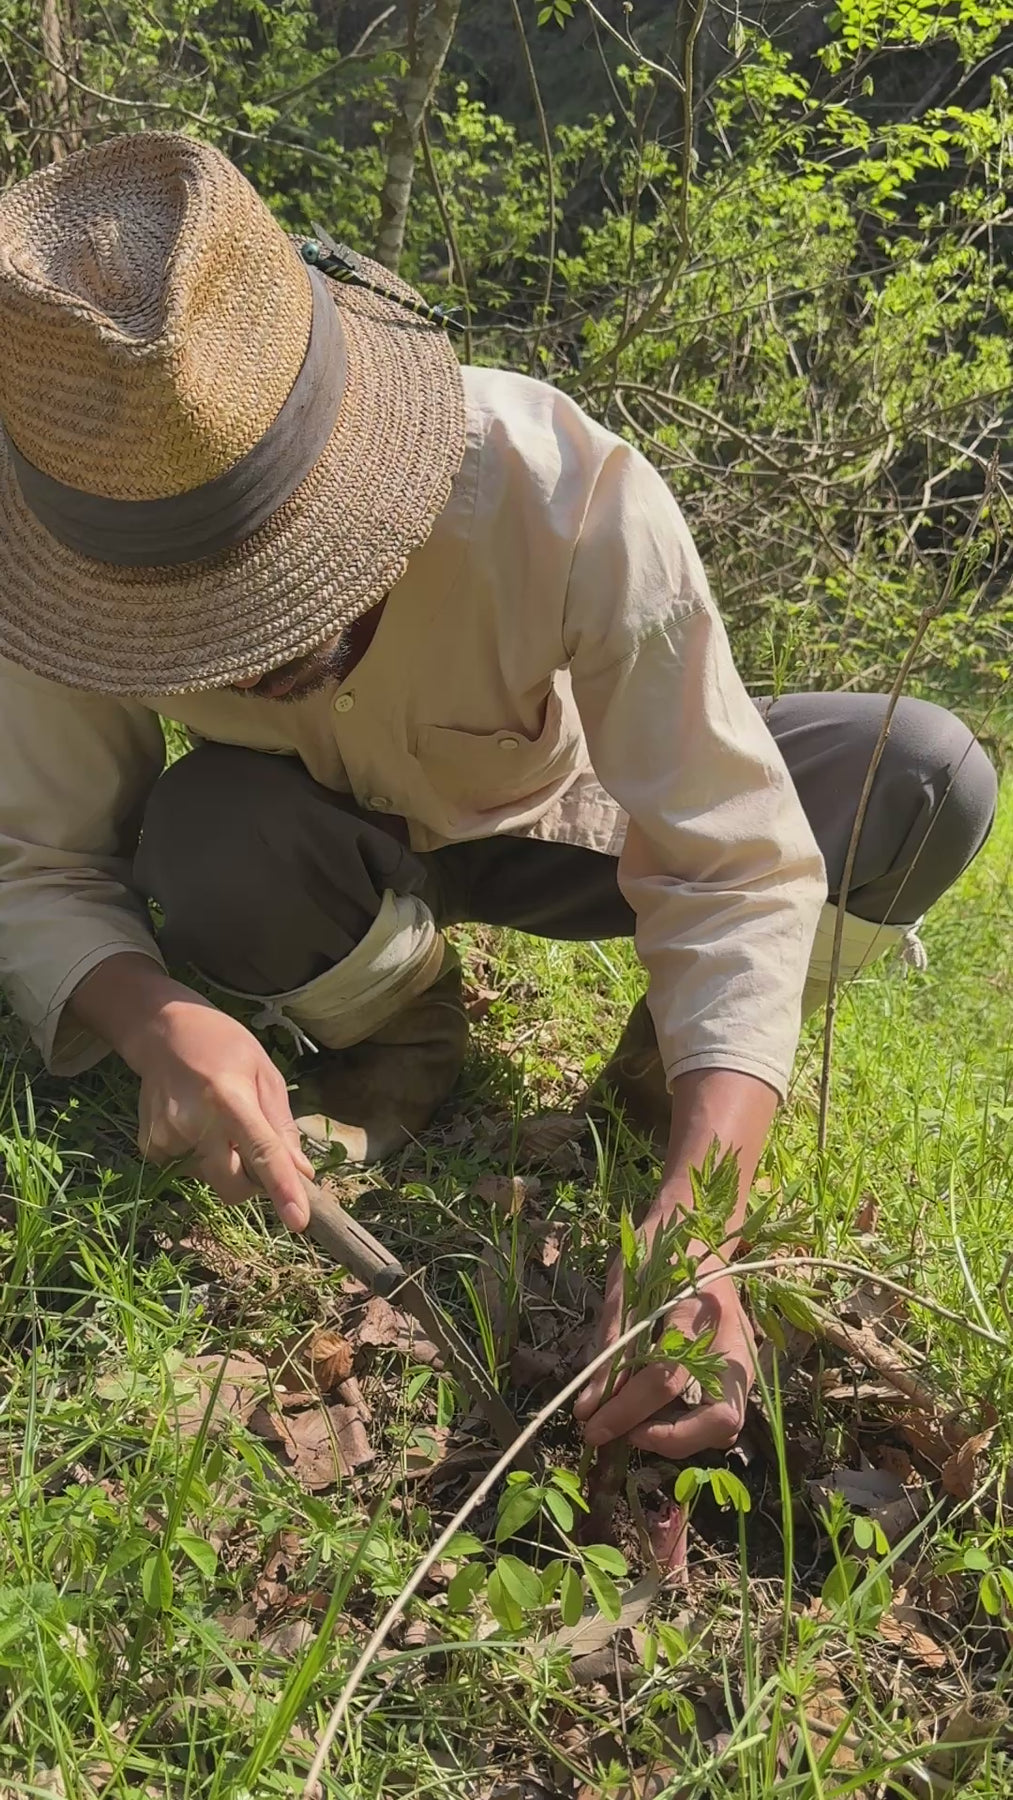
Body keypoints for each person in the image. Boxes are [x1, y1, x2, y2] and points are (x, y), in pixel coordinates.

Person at [0, 133, 997, 1460]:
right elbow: (43, 862)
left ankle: (663, 1097)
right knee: (207, 836)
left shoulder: (554, 485)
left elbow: (729, 859)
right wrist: (155, 1018)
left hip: (578, 809)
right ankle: (398, 1038)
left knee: (921, 778)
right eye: (187, 628)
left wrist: (702, 1224)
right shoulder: (66, 557)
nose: (253, 657)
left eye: (282, 582)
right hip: (326, 850)